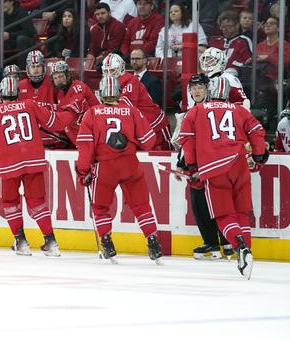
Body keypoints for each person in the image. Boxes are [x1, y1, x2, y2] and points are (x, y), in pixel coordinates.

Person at [179, 76, 269, 279]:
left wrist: (192, 165)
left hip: (214, 168)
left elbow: (186, 139)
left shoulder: (196, 111)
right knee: (242, 213)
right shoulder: (238, 110)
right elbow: (257, 130)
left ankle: (240, 248)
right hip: (239, 164)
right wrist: (258, 154)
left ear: (211, 92)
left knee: (224, 215)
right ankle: (247, 251)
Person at [75, 75, 163, 263]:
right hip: (130, 163)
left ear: (101, 93)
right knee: (142, 206)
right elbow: (149, 141)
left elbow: (85, 147)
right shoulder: (131, 111)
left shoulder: (92, 113)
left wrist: (83, 170)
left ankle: (107, 242)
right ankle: (152, 239)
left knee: (100, 207)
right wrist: (132, 145)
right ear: (118, 92)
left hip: (105, 166)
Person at [0, 76, 65, 256]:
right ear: (17, 92)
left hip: (9, 164)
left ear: (0, 94)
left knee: (10, 202)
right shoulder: (30, 104)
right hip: (33, 160)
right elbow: (54, 123)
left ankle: (21, 242)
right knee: (37, 202)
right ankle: (51, 241)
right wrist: (72, 113)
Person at [173, 74, 231, 260]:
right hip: (196, 167)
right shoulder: (190, 112)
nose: (196, 91)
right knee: (200, 206)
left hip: (214, 166)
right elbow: (186, 141)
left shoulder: (214, 110)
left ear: (209, 90)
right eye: (193, 88)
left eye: (200, 88)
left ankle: (227, 242)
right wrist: (182, 164)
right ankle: (212, 243)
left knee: (220, 204)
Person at [102, 53, 172, 150]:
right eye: (106, 71)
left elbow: (125, 109)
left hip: (154, 124)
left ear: (121, 68)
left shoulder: (131, 81)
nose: (109, 74)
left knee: (161, 153)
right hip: (139, 124)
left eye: (112, 70)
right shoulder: (107, 84)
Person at [19, 50, 66, 148]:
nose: (36, 70)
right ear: (28, 68)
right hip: (27, 133)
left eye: (38, 66)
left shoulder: (54, 82)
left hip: (51, 133)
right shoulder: (20, 86)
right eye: (33, 67)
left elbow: (63, 109)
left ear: (44, 67)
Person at [50, 60, 100, 145]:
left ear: (68, 75)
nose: (58, 80)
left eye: (61, 76)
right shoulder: (60, 95)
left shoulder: (78, 87)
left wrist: (51, 108)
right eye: (55, 78)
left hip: (95, 131)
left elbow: (75, 109)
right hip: (81, 136)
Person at [209, 10, 252, 76]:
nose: (224, 29)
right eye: (223, 26)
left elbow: (246, 62)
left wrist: (225, 73)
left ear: (237, 25)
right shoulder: (215, 40)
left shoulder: (244, 41)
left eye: (228, 26)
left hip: (233, 78)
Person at [251, 16, 290, 81]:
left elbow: (285, 62)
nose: (267, 25)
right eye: (266, 23)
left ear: (279, 28)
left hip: (276, 81)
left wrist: (268, 57)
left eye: (272, 23)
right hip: (257, 77)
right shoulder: (259, 45)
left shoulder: (285, 45)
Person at [0, 0, 36, 68]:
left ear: (12, 2)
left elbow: (30, 32)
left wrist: (10, 35)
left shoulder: (21, 12)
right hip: (11, 41)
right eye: (1, 3)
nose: (3, 5)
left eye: (5, 2)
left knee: (21, 39)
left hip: (27, 41)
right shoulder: (2, 15)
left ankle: (22, 69)